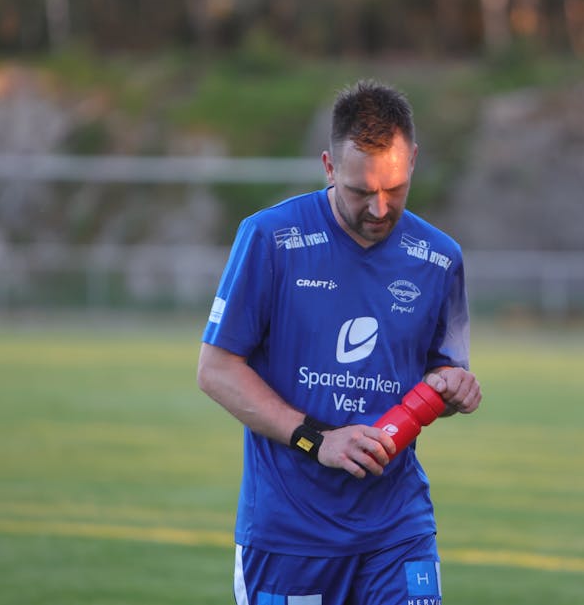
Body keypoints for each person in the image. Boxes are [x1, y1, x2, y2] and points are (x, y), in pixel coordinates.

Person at [197, 79, 481, 605]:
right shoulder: (270, 239)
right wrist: (318, 440)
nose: (378, 208)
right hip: (289, 534)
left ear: (413, 159)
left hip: (397, 528)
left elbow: (440, 376)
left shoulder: (440, 259)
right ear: (328, 167)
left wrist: (453, 389)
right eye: (360, 190)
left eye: (394, 189)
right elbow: (215, 368)